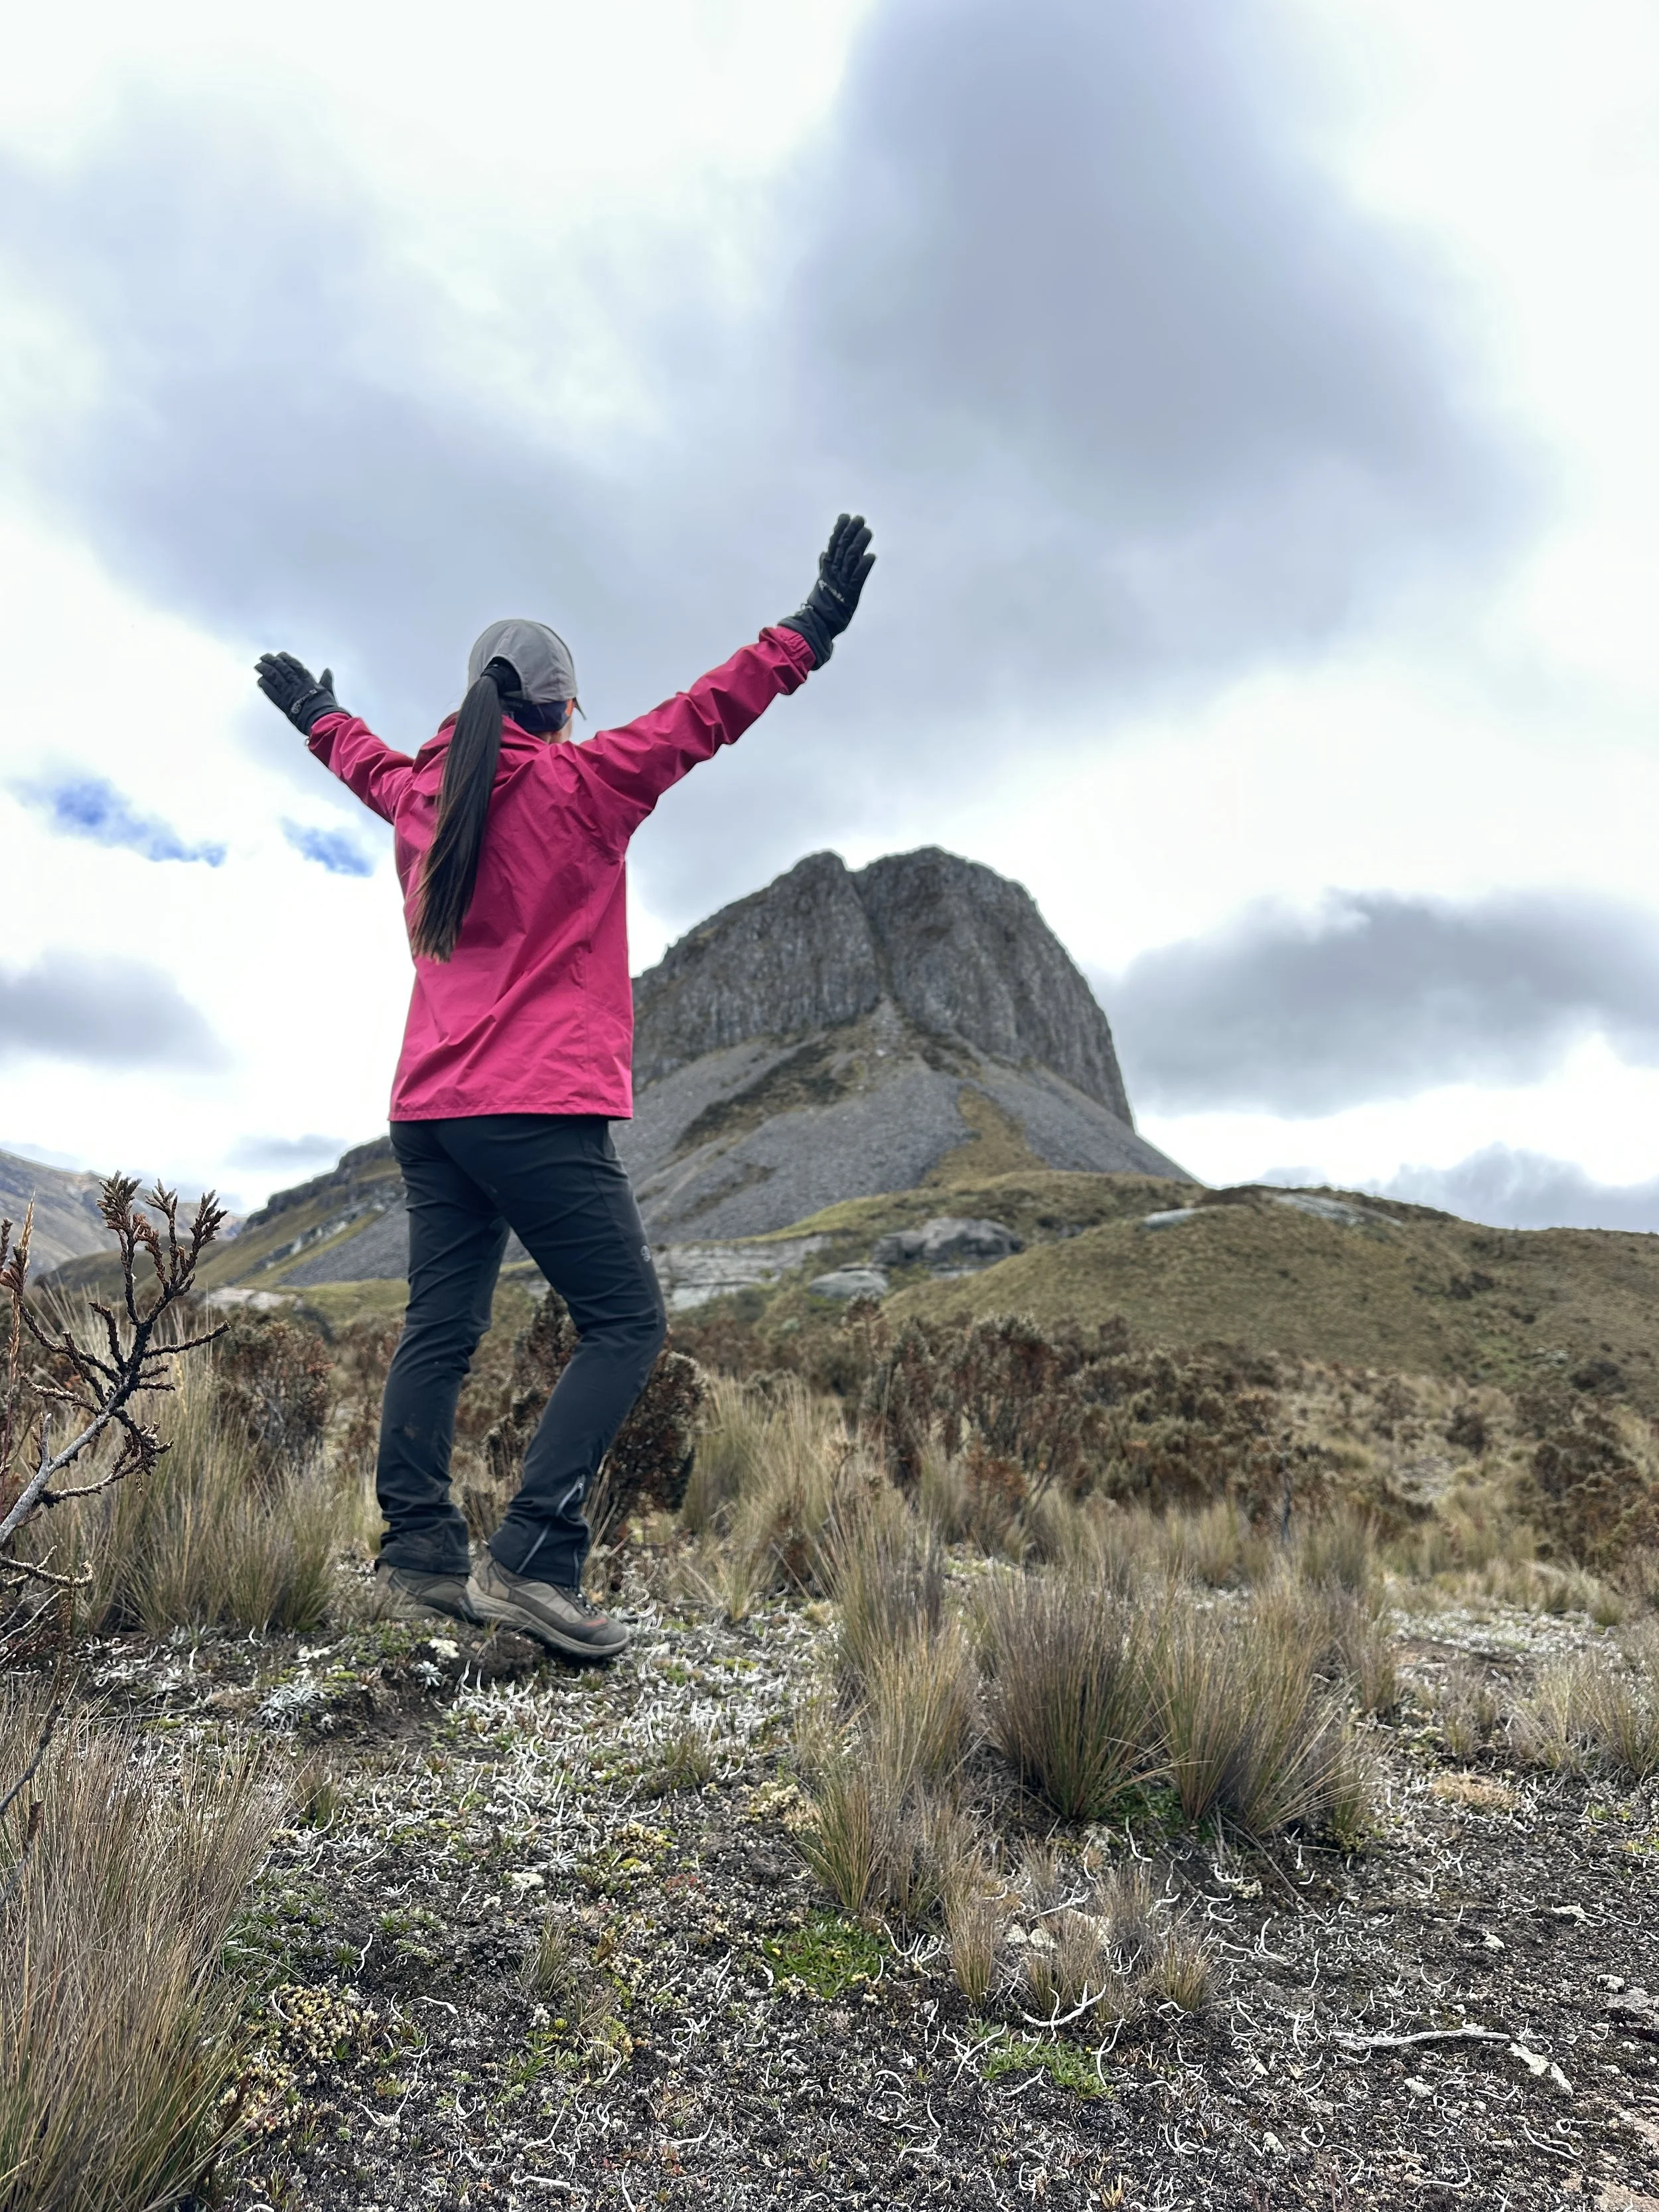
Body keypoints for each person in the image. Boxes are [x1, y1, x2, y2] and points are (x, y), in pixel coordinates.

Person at [255, 516, 875, 1660]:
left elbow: (361, 756)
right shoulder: (586, 786)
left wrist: (312, 713)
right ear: (555, 709)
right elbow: (705, 716)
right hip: (530, 1105)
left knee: (437, 1328)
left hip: (428, 1112)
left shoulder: (419, 794)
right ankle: (534, 1556)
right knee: (627, 1321)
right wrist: (812, 631)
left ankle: (421, 1553)